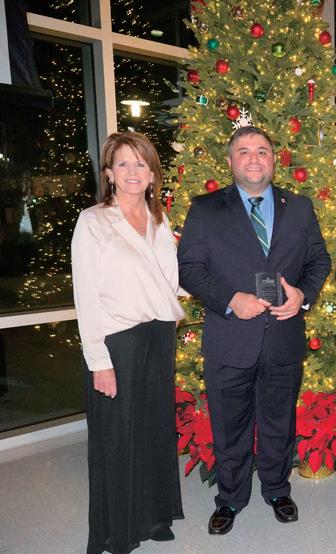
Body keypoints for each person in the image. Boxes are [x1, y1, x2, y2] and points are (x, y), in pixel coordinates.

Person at [178, 126, 330, 535]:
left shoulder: (299, 207)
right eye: (243, 151)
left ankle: (278, 490)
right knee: (230, 427)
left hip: (283, 337)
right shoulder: (206, 208)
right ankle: (230, 498)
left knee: (279, 423)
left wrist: (303, 294)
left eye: (262, 150)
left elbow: (318, 260)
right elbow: (189, 268)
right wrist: (231, 299)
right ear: (230, 161)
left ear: (273, 160)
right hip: (230, 339)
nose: (253, 158)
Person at [72, 131, 186, 554]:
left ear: (153, 173)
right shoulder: (93, 221)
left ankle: (155, 517)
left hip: (159, 335)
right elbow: (85, 295)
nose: (133, 171)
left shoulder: (160, 220)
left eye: (141, 163)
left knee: (154, 430)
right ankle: (117, 529)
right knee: (118, 437)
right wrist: (98, 360)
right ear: (109, 173)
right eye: (123, 163)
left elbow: (168, 281)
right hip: (117, 341)